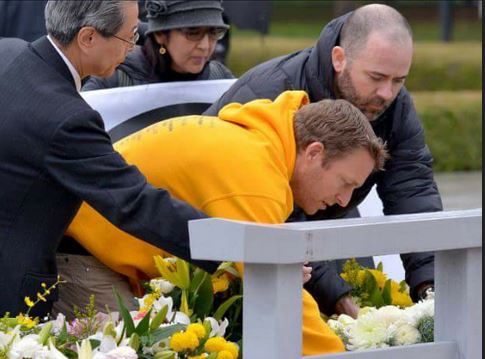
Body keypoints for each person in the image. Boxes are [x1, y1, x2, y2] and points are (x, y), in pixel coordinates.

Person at [64, 91, 388, 355]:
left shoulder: (260, 145)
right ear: (315, 152)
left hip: (94, 248)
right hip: (84, 254)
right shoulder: (256, 175)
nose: (345, 201)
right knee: (127, 349)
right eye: (345, 182)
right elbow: (278, 288)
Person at [203, 3, 441, 318]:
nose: (387, 93)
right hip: (237, 221)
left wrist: (432, 288)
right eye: (376, 77)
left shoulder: (392, 102)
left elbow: (412, 189)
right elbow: (262, 211)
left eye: (399, 80)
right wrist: (335, 296)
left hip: (327, 216)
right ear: (339, 58)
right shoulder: (267, 93)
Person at [0, 0, 218, 319]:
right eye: (129, 36)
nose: (132, 48)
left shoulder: (9, 52)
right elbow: (134, 203)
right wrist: (236, 248)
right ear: (88, 38)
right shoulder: (68, 119)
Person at [82, 0, 233, 90]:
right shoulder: (116, 79)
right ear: (160, 35)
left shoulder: (220, 78)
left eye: (214, 33)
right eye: (193, 33)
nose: (205, 46)